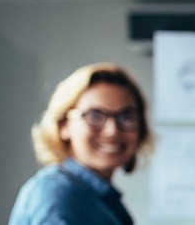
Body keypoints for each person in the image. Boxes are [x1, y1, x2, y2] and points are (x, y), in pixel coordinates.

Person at [9, 62, 154, 225]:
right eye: (95, 116)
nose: (112, 130)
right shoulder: (56, 194)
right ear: (64, 125)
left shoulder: (103, 201)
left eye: (127, 116)